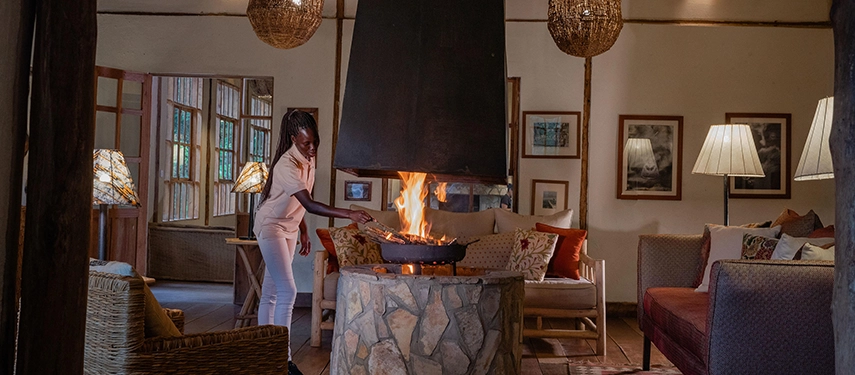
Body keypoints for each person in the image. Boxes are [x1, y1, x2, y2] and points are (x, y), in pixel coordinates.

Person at [253, 110, 373, 375]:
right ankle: (282, 361)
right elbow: (308, 202)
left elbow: (296, 200)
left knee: (272, 292)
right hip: (270, 226)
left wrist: (303, 229)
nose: (312, 147)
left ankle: (265, 354)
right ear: (294, 138)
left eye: (315, 142)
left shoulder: (308, 158)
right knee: (287, 291)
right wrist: (349, 213)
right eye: (306, 143)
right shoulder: (286, 164)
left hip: (290, 226)